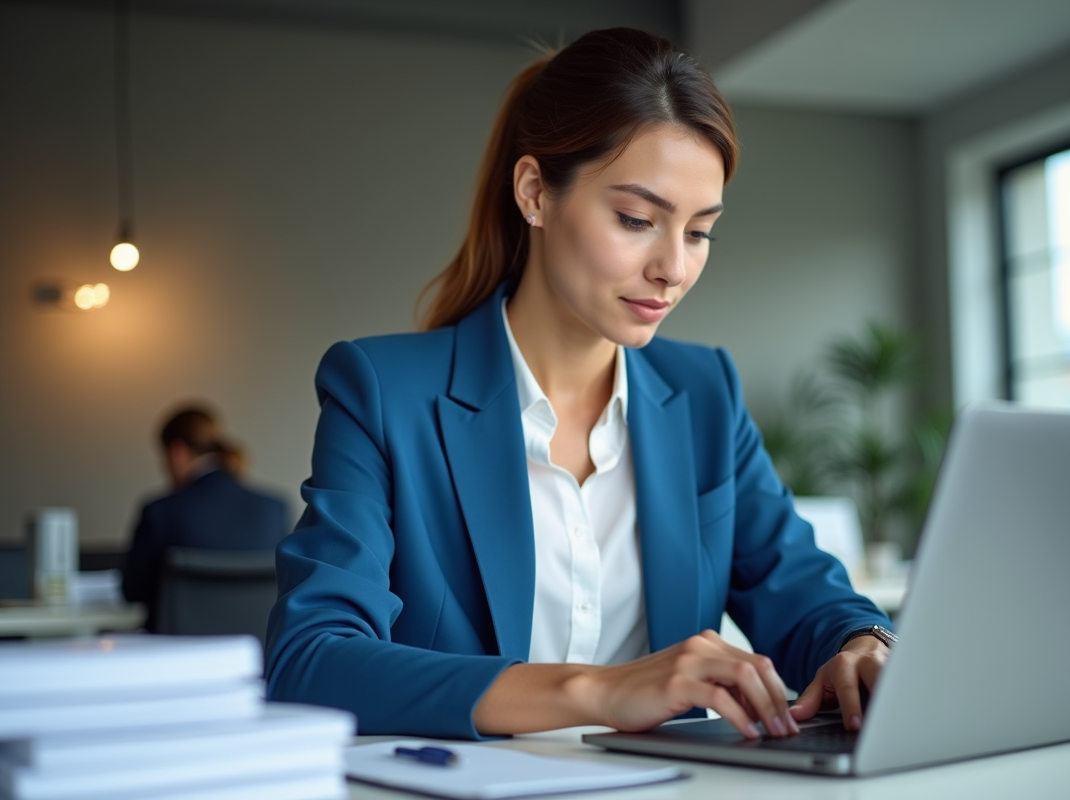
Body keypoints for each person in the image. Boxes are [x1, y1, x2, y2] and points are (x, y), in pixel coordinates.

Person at [266, 27, 894, 741]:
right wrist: (598, 691)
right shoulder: (383, 391)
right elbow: (311, 661)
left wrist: (863, 643)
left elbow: (806, 592)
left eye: (699, 232)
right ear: (535, 192)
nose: (673, 268)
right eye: (636, 219)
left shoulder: (704, 394)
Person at [122, 404, 292, 631]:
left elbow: (130, 591)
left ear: (177, 452)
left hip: (178, 658)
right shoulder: (275, 509)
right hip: (254, 657)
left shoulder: (160, 512)